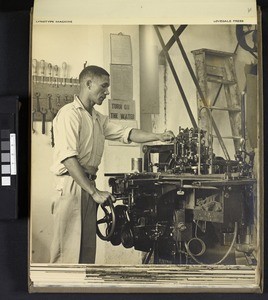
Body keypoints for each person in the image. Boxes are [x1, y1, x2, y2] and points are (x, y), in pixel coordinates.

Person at [49, 65, 175, 264]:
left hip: (88, 185)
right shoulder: (69, 114)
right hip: (72, 185)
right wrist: (94, 192)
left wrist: (158, 136)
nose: (107, 92)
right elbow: (68, 159)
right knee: (67, 252)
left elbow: (127, 133)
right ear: (88, 84)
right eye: (104, 86)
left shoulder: (97, 118)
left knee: (85, 253)